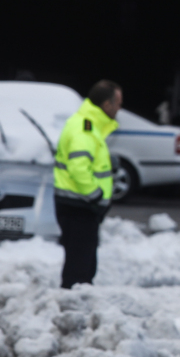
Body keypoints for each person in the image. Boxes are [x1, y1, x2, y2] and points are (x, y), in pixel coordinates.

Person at [53, 80, 122, 289]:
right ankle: (72, 306)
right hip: (80, 206)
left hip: (79, 205)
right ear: (106, 105)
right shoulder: (85, 127)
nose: (120, 108)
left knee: (83, 262)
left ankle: (75, 302)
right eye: (118, 102)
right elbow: (78, 167)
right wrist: (95, 195)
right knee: (79, 268)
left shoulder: (89, 124)